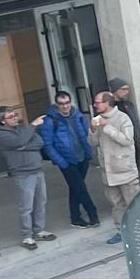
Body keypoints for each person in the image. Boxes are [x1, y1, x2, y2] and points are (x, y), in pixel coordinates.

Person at [0, 107, 56, 251]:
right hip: (22, 173)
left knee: (41, 202)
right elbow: (18, 142)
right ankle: (27, 236)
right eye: (11, 116)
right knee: (26, 206)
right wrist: (32, 126)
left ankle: (39, 230)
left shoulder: (22, 129)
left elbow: (39, 142)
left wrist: (24, 145)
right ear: (2, 121)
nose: (15, 118)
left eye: (15, 115)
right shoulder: (1, 135)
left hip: (37, 169)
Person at [40, 90, 99, 228]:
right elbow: (48, 145)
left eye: (67, 103)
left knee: (76, 187)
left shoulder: (78, 115)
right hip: (66, 161)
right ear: (56, 104)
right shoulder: (50, 121)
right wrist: (61, 162)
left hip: (82, 157)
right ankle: (93, 214)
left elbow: (85, 134)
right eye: (61, 104)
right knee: (80, 188)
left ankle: (75, 217)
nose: (65, 106)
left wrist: (88, 152)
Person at [91, 90, 139, 245]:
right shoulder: (98, 120)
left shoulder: (122, 118)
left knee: (133, 202)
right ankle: (121, 231)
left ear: (107, 103)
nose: (95, 105)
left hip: (125, 171)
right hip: (108, 172)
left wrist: (108, 127)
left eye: (98, 102)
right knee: (117, 205)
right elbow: (93, 142)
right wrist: (93, 130)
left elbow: (127, 140)